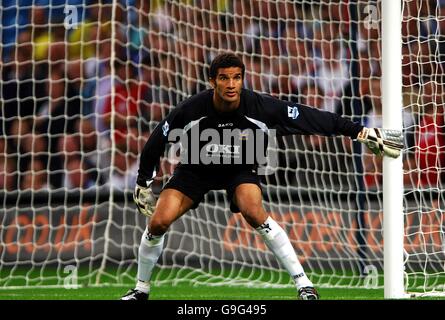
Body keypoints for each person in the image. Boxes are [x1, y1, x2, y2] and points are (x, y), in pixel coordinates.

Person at [121, 53, 403, 300]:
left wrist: (358, 132)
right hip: (195, 169)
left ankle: (303, 284)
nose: (231, 84)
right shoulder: (192, 108)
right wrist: (144, 181)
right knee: (158, 221)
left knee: (254, 210)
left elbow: (311, 116)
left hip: (239, 169)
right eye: (224, 78)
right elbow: (157, 139)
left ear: (242, 79)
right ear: (212, 82)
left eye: (236, 78)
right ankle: (141, 289)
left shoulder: (261, 107)